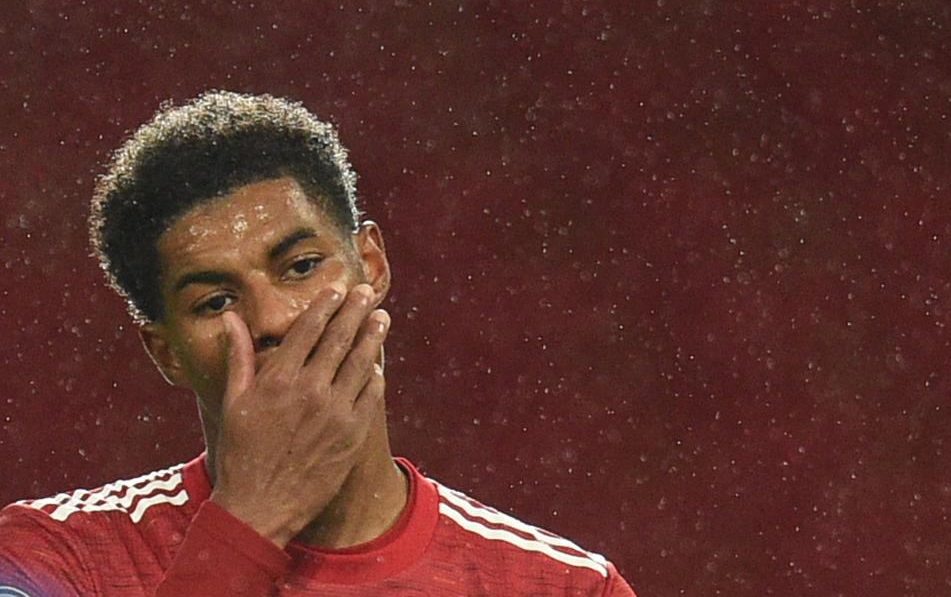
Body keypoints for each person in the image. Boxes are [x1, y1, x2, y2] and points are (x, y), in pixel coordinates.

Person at [0, 91, 636, 596]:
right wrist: (251, 518)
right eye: (215, 301)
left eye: (301, 266)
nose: (273, 318)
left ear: (372, 265)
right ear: (165, 352)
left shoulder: (562, 587)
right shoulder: (52, 559)